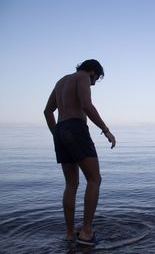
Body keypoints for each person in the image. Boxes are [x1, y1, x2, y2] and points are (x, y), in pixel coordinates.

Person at [44, 59, 116, 246]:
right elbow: (86, 105)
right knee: (94, 179)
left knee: (71, 184)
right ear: (92, 71)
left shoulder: (61, 81)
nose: (93, 83)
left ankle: (70, 234)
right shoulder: (82, 77)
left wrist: (57, 134)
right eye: (96, 79)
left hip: (60, 129)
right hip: (76, 128)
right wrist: (106, 130)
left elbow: (47, 111)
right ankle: (86, 232)